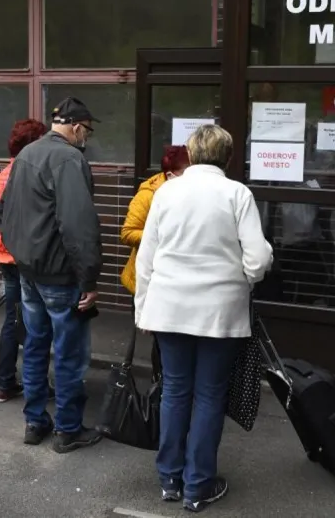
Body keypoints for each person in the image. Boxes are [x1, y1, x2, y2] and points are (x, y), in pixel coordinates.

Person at [134, 125, 273, 512]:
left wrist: (143, 309)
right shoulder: (237, 194)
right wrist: (245, 276)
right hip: (219, 310)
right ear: (228, 158)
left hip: (168, 306)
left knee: (175, 390)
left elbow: (146, 258)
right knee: (210, 395)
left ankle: (169, 480)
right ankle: (198, 486)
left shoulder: (166, 191)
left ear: (191, 155)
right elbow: (258, 260)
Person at [0, 97, 103, 453]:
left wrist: (20, 252)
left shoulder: (27, 154)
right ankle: (68, 430)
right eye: (87, 130)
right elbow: (78, 225)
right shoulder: (70, 159)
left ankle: (35, 421)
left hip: (28, 272)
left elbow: (3, 213)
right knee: (69, 354)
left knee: (36, 347)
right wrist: (89, 279)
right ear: (75, 127)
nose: (87, 137)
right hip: (60, 276)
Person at [0, 118, 48, 403]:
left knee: (13, 319)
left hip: (2, 253)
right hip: (19, 256)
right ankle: (31, 384)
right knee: (32, 321)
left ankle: (5, 384)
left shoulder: (3, 174)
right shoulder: (24, 175)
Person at [119, 145, 190, 295]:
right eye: (187, 174)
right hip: (148, 279)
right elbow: (128, 233)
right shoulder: (148, 194)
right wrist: (160, 235)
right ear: (170, 175)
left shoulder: (192, 193)